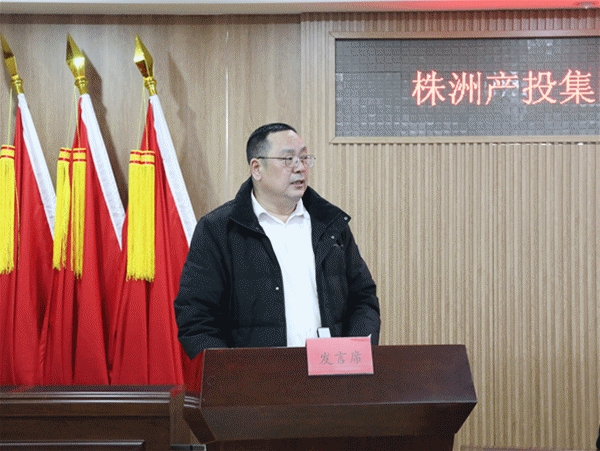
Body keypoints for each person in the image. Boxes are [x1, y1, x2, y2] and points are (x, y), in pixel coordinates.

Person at [174, 123, 380, 360]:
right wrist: (230, 372)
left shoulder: (330, 224)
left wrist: (355, 354)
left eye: (304, 158)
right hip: (254, 378)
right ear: (257, 168)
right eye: (288, 159)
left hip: (331, 372)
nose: (300, 168)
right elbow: (195, 316)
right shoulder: (218, 230)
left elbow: (363, 298)